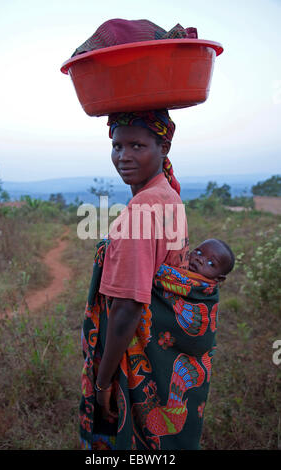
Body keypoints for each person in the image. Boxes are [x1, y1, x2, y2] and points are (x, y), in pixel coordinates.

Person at [79, 110, 226, 450]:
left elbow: (128, 308)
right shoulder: (169, 196)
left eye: (137, 145)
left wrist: (102, 384)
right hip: (163, 357)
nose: (123, 156)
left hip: (138, 361)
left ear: (164, 146)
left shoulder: (143, 207)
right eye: (117, 145)